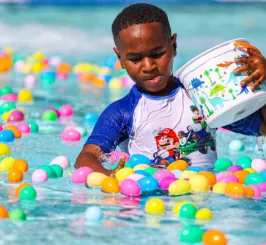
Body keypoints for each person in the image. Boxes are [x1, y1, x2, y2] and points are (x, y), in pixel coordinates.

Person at [75, 3, 266, 175]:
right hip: (148, 202)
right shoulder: (121, 112)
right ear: (120, 59)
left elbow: (263, 128)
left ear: (173, 45)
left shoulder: (202, 97)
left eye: (158, 54)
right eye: (135, 59)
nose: (149, 66)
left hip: (204, 201)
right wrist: (111, 177)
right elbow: (86, 158)